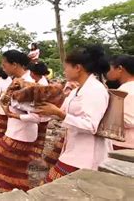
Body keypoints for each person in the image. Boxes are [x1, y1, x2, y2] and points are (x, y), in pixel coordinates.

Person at [34, 45, 111, 183]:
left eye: (66, 67)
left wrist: (59, 114)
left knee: (53, 186)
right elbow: (62, 111)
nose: (64, 71)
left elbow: (90, 125)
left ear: (78, 68)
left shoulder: (95, 90)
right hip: (73, 150)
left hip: (86, 155)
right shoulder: (77, 89)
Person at [0, 50, 42, 192]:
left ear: (14, 65)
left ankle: (14, 192)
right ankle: (15, 192)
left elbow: (36, 117)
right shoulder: (17, 82)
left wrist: (15, 115)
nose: (3, 69)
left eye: (5, 65)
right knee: (15, 170)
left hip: (20, 135)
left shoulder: (27, 84)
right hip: (16, 132)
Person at [106, 55, 134, 150]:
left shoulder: (126, 91)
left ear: (120, 69)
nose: (108, 72)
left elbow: (129, 121)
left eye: (110, 68)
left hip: (125, 144)